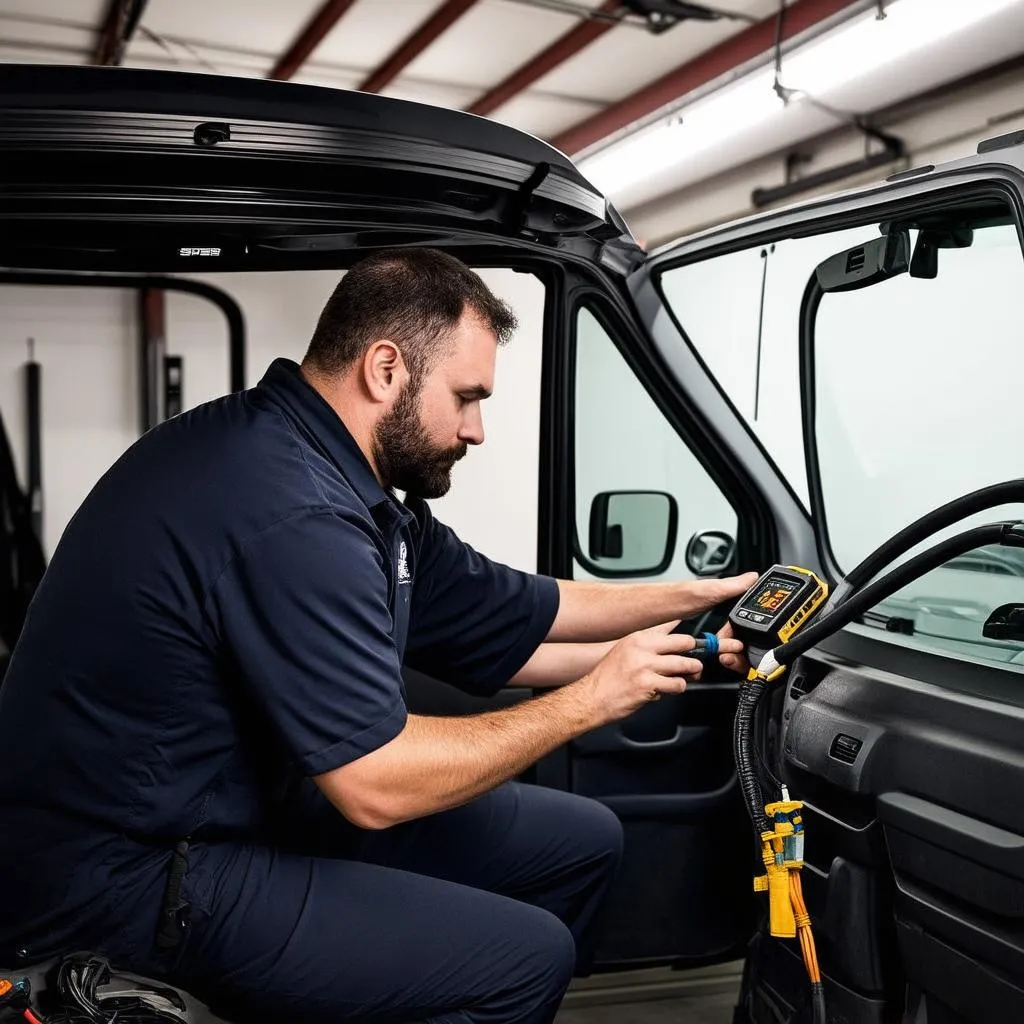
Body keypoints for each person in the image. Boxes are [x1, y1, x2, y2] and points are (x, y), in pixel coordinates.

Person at [0, 248, 756, 1024]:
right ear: (386, 369)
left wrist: (697, 605)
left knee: (582, 840)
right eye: (466, 398)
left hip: (233, 816)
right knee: (524, 960)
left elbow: (522, 615)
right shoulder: (293, 509)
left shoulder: (341, 478)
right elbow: (374, 783)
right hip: (126, 879)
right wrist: (590, 701)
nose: (478, 429)